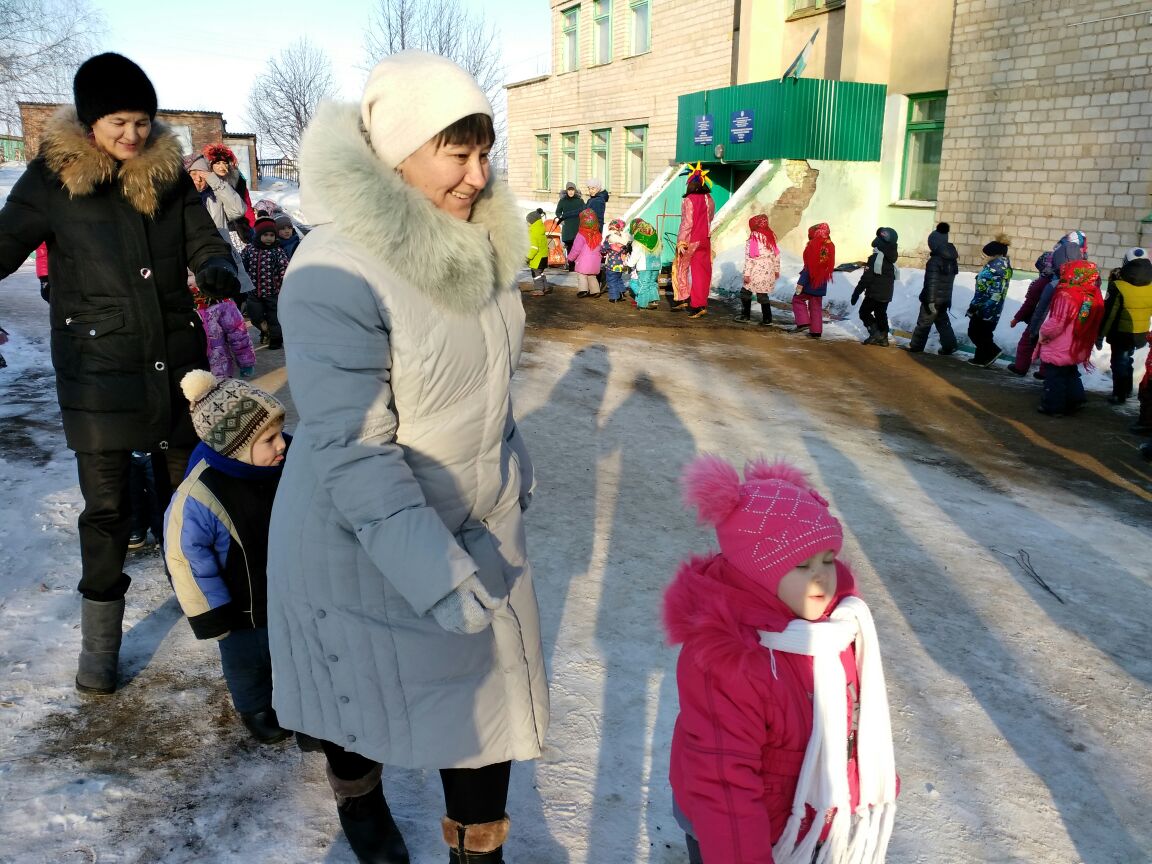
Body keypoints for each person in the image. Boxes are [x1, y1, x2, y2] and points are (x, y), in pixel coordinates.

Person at [267, 51, 548, 864]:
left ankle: (478, 851)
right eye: (456, 154)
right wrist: (436, 571)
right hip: (360, 541)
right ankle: (359, 804)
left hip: (474, 525)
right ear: (397, 153)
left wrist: (513, 465)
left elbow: (485, 387)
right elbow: (353, 446)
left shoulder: (479, 249)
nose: (478, 176)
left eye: (484, 152)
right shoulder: (334, 271)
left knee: (487, 719)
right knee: (361, 701)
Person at [0, 52, 239, 695]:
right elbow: (4, 244)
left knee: (192, 495)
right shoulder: (51, 179)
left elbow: (201, 235)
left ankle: (217, 614)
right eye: (118, 123)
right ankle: (99, 647)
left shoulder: (167, 174)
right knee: (106, 510)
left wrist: (216, 264)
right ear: (90, 122)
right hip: (98, 371)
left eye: (141, 121)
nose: (133, 135)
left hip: (176, 363)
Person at [665, 455, 898, 864]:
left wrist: (862, 789)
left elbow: (852, 723)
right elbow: (724, 782)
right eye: (802, 565)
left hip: (814, 819)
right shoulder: (728, 661)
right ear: (756, 574)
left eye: (828, 559)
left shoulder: (838, 629)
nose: (821, 576)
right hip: (737, 834)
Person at [165, 370, 290, 744]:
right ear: (234, 446)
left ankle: (295, 700)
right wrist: (213, 614)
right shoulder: (199, 495)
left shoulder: (286, 463)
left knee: (292, 652)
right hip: (239, 607)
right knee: (247, 661)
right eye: (268, 439)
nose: (282, 444)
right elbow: (187, 560)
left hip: (290, 594)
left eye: (281, 433)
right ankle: (255, 708)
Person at [1036, 260, 1105, 416]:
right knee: (1071, 373)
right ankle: (1076, 400)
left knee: (1054, 377)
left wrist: (1044, 333)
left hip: (1060, 345)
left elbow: (1057, 322)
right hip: (1076, 344)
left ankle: (1053, 406)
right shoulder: (1091, 293)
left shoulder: (1066, 294)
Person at [188, 154, 257, 298]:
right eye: (193, 174)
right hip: (194, 264)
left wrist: (215, 181)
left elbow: (239, 210)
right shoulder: (181, 203)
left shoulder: (216, 197)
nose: (198, 179)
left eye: (203, 175)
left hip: (222, 259)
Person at [1098, 247, 1152, 404]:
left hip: (1121, 333)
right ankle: (1127, 389)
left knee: (1119, 362)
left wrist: (1100, 335)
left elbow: (1109, 314)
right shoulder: (1150, 286)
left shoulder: (1118, 286)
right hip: (1140, 332)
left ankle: (1119, 394)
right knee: (1127, 359)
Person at [188, 270, 255, 378]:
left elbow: (238, 334)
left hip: (219, 367)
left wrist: (246, 361)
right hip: (189, 370)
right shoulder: (178, 305)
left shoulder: (221, 303)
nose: (186, 281)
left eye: (189, 275)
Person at [240, 215, 290, 350]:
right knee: (255, 316)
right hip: (253, 292)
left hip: (272, 292)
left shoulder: (277, 251)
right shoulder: (250, 249)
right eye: (265, 235)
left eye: (272, 235)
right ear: (258, 235)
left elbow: (284, 269)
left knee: (274, 317)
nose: (269, 238)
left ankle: (276, 339)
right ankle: (265, 330)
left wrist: (285, 283)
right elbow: (242, 265)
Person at [908, 223, 958, 354]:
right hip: (944, 299)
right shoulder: (952, 259)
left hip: (932, 299)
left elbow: (932, 283)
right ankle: (950, 345)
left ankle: (916, 347)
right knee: (942, 322)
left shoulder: (934, 261)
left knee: (924, 323)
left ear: (934, 244)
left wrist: (930, 301)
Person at [965, 235, 1013, 367]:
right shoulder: (1000, 268)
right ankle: (981, 358)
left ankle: (993, 351)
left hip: (985, 309)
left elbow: (986, 292)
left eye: (985, 255)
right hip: (993, 309)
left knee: (975, 333)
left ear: (993, 255)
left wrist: (974, 306)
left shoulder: (994, 270)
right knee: (984, 334)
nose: (982, 257)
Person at [1006, 251, 1055, 376]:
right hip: (1053, 322)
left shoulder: (1041, 283)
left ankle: (1020, 367)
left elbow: (1029, 304)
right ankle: (1044, 373)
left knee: (1026, 343)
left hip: (1037, 320)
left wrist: (1016, 318)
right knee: (1047, 346)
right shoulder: (1060, 282)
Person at [677, 164, 716, 319]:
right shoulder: (709, 198)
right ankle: (700, 304)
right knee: (703, 272)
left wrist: (681, 241)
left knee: (681, 267)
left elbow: (687, 223)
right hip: (705, 239)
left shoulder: (689, 200)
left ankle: (684, 298)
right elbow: (710, 218)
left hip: (691, 240)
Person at [851, 227, 899, 346]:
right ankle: (883, 337)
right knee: (881, 314)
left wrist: (856, 292)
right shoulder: (891, 257)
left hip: (874, 293)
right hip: (886, 293)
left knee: (864, 312)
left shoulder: (876, 258)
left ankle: (875, 334)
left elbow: (867, 278)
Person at [203, 143, 256, 245]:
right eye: (218, 163)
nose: (222, 167)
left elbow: (246, 204)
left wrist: (252, 225)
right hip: (216, 229)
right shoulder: (205, 185)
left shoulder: (238, 182)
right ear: (211, 165)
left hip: (238, 230)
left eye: (225, 163)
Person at [734, 214, 780, 327]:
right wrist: (776, 270)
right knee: (763, 295)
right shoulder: (770, 236)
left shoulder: (754, 237)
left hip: (756, 270)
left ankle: (745, 316)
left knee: (745, 292)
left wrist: (747, 273)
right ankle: (767, 319)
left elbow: (751, 257)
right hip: (768, 270)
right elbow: (777, 255)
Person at [792, 223, 835, 334]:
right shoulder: (829, 245)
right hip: (821, 282)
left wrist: (800, 283)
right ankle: (816, 332)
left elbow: (809, 268)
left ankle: (803, 322)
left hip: (809, 282)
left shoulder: (814, 246)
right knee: (816, 306)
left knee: (797, 299)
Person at [626, 218, 662, 310]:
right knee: (652, 283)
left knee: (644, 285)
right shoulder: (655, 239)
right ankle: (653, 301)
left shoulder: (638, 241)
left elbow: (635, 256)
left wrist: (629, 263)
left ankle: (642, 304)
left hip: (644, 267)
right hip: (655, 265)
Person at [569, 207, 604, 298]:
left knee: (582, 275)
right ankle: (595, 291)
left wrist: (570, 258)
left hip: (583, 260)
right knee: (592, 276)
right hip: (595, 261)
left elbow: (576, 248)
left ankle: (583, 290)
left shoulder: (581, 234)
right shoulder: (598, 234)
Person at [555, 181, 584, 263]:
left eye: (572, 190)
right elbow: (558, 212)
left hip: (577, 226)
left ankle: (577, 264)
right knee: (570, 246)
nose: (571, 192)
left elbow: (584, 211)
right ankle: (571, 265)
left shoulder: (580, 201)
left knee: (578, 246)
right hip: (567, 227)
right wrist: (561, 219)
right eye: (569, 190)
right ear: (566, 191)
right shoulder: (563, 201)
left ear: (575, 190)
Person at [603, 218, 630, 302]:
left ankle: (614, 297)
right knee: (618, 278)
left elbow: (603, 248)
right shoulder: (623, 239)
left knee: (612, 280)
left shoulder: (609, 238)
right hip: (621, 264)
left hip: (612, 264)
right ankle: (621, 293)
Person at [525, 208, 550, 296]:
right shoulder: (540, 230)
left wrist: (528, 257)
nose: (527, 223)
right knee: (541, 273)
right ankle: (545, 287)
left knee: (536, 274)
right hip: (544, 257)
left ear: (532, 222)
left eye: (528, 222)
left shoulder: (533, 233)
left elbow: (534, 248)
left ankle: (539, 289)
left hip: (537, 259)